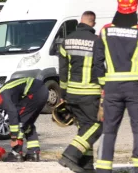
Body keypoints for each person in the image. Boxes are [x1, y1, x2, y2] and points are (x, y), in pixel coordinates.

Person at [94, 0, 138, 173]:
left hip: (112, 87)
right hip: (136, 88)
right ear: (135, 7)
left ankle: (104, 167)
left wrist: (103, 83)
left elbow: (97, 61)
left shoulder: (105, 31)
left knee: (109, 128)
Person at [57, 11, 103, 173]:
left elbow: (62, 70)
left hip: (71, 93)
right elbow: (100, 69)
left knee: (84, 128)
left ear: (80, 22)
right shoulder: (97, 41)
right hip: (90, 92)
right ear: (93, 23)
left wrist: (63, 94)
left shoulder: (66, 41)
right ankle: (71, 154)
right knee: (97, 126)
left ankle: (87, 166)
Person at [0, 76, 48, 162]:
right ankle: (33, 153)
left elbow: (13, 114)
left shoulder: (2, 96)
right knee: (27, 124)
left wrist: (13, 138)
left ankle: (16, 153)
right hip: (42, 91)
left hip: (35, 92)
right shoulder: (2, 92)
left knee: (19, 121)